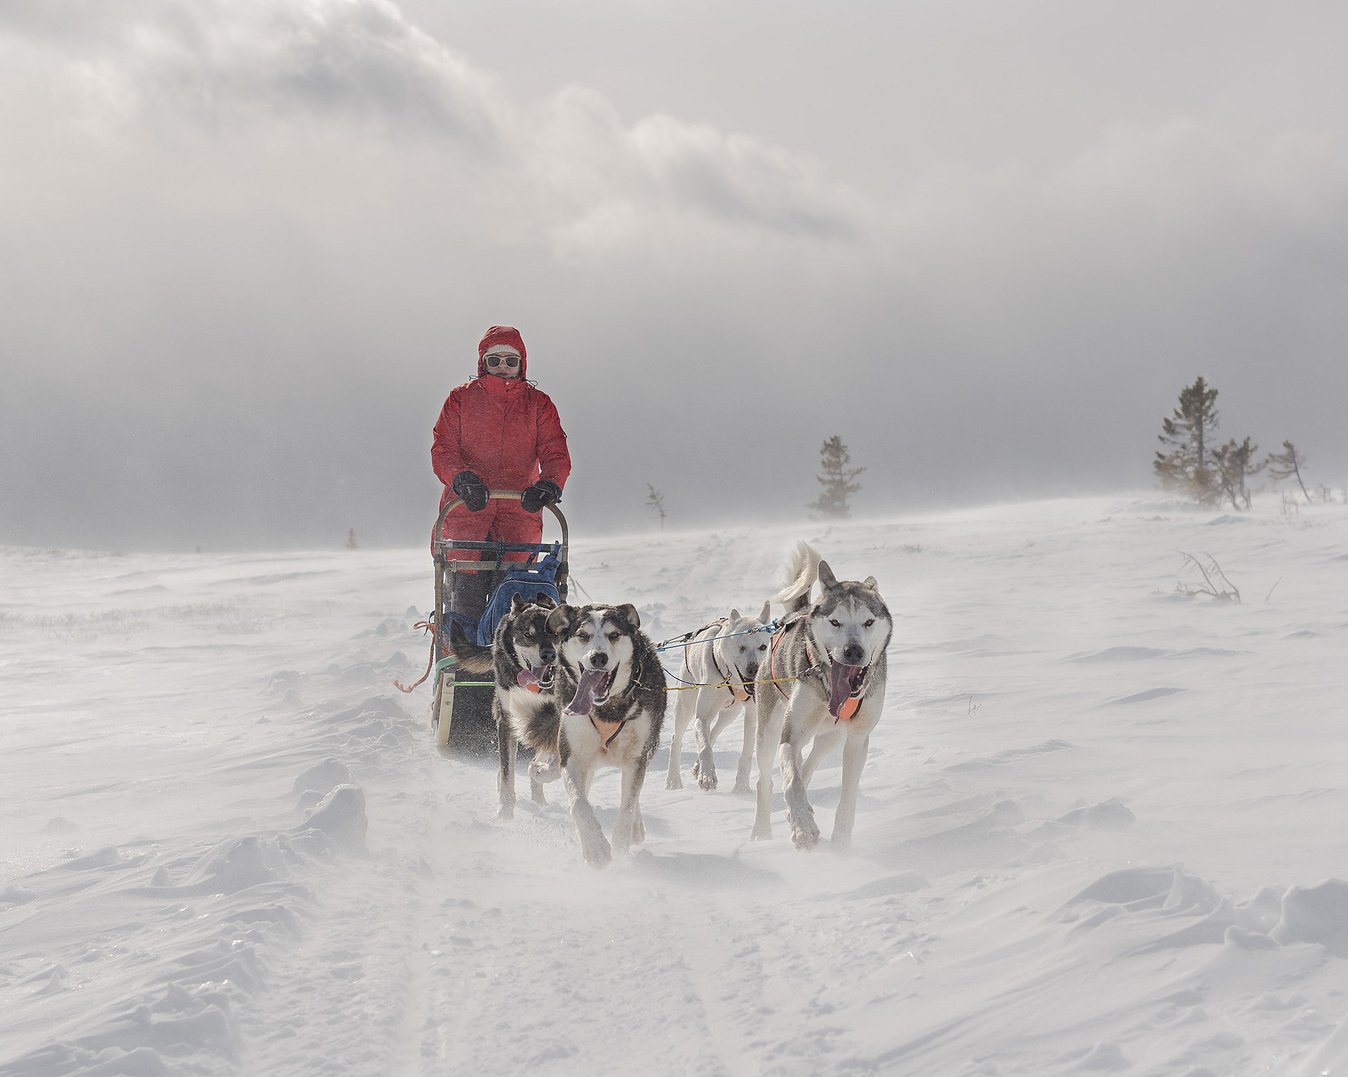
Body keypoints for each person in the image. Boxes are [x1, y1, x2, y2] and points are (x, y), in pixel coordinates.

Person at [431, 325, 572, 620]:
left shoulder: (538, 404)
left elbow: (555, 451)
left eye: (511, 360)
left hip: (519, 513)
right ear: (482, 363)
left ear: (522, 364)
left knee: (511, 607)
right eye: (494, 360)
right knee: (464, 604)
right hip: (467, 512)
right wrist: (461, 478)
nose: (503, 367)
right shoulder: (460, 400)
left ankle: (509, 663)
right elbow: (444, 449)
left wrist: (549, 483)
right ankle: (461, 661)